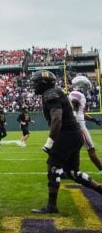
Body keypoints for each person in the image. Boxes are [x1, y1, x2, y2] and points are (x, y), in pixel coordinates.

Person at [30, 70, 102, 214]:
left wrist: (49, 142)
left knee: (53, 167)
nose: (34, 85)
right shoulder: (55, 92)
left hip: (66, 135)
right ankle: (100, 188)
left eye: (36, 82)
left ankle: (52, 206)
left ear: (44, 84)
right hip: (75, 134)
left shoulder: (50, 94)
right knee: (72, 172)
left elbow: (57, 119)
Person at [69, 76, 102, 171]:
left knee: (72, 149)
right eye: (85, 85)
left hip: (76, 122)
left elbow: (81, 112)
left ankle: (63, 169)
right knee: (91, 149)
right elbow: (73, 108)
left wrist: (93, 120)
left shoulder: (77, 94)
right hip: (78, 124)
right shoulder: (76, 94)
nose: (87, 88)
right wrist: (75, 121)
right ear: (80, 85)